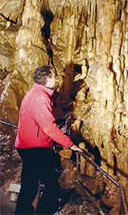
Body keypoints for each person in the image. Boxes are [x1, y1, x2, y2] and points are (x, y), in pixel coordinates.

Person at [14, 65, 82, 215]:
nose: (56, 79)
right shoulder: (40, 97)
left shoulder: (35, 93)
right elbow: (48, 127)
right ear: (48, 78)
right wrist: (70, 145)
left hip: (27, 146)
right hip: (35, 148)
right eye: (54, 76)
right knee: (51, 186)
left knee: (29, 186)